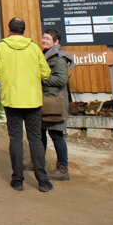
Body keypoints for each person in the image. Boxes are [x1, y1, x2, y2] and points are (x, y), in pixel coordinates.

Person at [0, 17, 53, 192]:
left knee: (15, 139)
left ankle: (18, 180)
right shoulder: (33, 47)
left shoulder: (1, 47)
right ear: (24, 30)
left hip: (12, 99)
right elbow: (46, 73)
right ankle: (43, 180)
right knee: (35, 139)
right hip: (32, 100)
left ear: (9, 29)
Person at [39, 28, 72, 181]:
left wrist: (42, 78)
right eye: (43, 38)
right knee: (40, 133)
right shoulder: (45, 55)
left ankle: (62, 169)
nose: (44, 40)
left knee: (56, 134)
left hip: (55, 102)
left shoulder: (59, 58)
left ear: (56, 42)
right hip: (45, 100)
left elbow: (61, 80)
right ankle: (37, 162)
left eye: (48, 39)